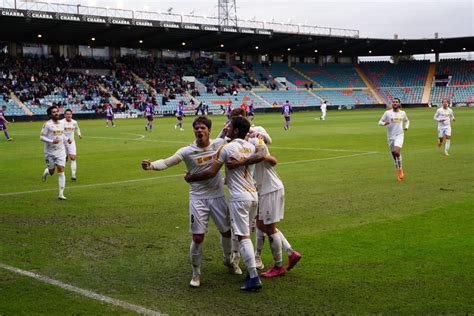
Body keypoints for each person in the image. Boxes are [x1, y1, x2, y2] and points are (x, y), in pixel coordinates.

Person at [142, 116, 238, 288]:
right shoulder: (187, 151)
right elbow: (167, 162)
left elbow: (229, 135)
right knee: (198, 237)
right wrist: (151, 165)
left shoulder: (218, 145)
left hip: (217, 196)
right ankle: (196, 273)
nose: (199, 130)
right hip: (197, 199)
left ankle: (228, 260)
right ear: (193, 130)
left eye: (203, 128)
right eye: (197, 128)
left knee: (226, 232)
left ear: (209, 130)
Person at [185, 116, 273, 291]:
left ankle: (254, 277)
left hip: (239, 198)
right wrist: (244, 160)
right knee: (246, 234)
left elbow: (211, 172)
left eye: (230, 127)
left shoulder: (227, 148)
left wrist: (191, 177)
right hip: (253, 195)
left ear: (236, 131)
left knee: (243, 237)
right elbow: (263, 154)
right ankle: (249, 270)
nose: (227, 128)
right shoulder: (253, 146)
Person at [228, 134, 302, 277]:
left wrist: (257, 156)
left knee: (269, 228)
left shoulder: (255, 141)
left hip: (270, 189)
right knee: (262, 225)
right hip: (263, 190)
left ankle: (279, 266)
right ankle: (290, 253)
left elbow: (273, 160)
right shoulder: (240, 146)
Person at [40, 106, 70, 200]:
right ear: (50, 115)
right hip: (50, 152)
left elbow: (62, 135)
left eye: (57, 111)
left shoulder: (61, 124)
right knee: (52, 171)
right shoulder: (47, 124)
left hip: (61, 151)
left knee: (61, 170)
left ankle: (61, 194)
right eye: (54, 112)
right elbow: (41, 137)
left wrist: (67, 139)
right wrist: (52, 141)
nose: (56, 113)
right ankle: (46, 172)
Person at [378, 98, 409, 182]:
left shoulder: (403, 113)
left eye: (396, 102)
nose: (395, 103)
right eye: (393, 102)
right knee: (393, 155)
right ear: (392, 104)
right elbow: (379, 122)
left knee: (397, 152)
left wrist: (406, 127)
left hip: (399, 134)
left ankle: (400, 170)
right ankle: (397, 166)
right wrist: (384, 123)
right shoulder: (387, 113)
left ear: (399, 104)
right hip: (390, 136)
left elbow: (407, 121)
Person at [61, 109, 82, 181]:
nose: (68, 115)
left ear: (71, 115)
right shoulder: (61, 122)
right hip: (63, 143)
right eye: (67, 114)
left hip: (71, 142)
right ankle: (57, 171)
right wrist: (67, 139)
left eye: (70, 114)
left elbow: (77, 128)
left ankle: (73, 175)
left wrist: (79, 134)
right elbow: (61, 133)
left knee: (73, 157)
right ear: (64, 115)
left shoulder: (74, 122)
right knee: (64, 159)